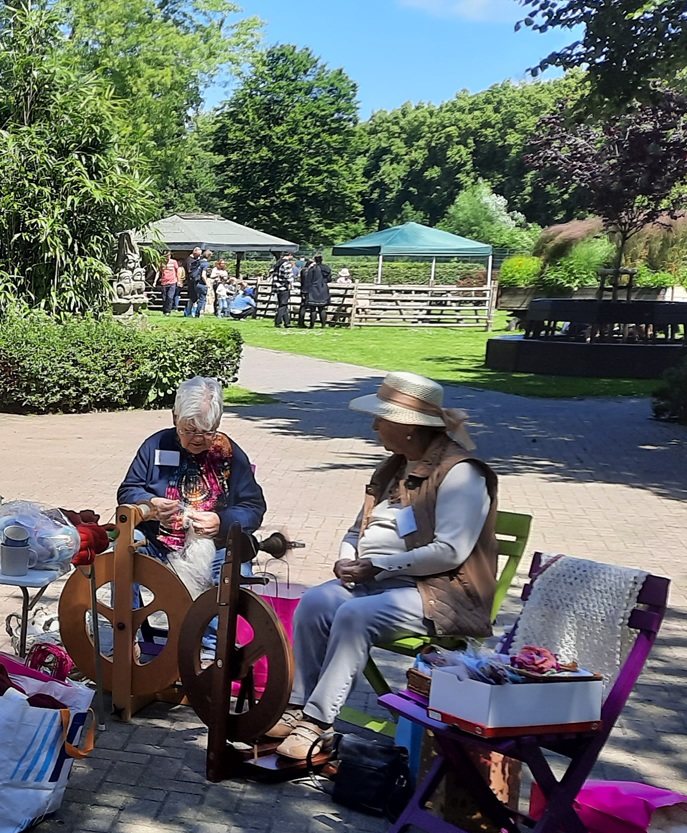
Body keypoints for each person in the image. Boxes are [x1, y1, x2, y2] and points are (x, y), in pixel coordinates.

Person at [269, 371, 498, 763]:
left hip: (439, 593)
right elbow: (357, 528)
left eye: (382, 418)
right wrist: (346, 556)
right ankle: (299, 705)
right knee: (316, 602)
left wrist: (379, 566)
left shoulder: (462, 473)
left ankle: (317, 722)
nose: (374, 426)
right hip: (380, 580)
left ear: (410, 427)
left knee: (355, 615)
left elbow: (450, 552)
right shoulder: (394, 467)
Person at [117, 377, 267, 598]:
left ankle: (213, 623)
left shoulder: (229, 454)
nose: (198, 439)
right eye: (189, 430)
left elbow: (254, 507)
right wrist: (151, 505)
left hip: (215, 550)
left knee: (236, 575)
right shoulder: (156, 445)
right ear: (175, 417)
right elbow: (128, 490)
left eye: (207, 431)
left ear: (218, 421)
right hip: (157, 544)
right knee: (121, 552)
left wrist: (221, 522)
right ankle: (127, 620)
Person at [300, 254, 332, 329]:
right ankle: (323, 325)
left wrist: (304, 291)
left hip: (313, 290)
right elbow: (329, 279)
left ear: (315, 260)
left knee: (313, 308)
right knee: (322, 308)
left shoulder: (312, 269)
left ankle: (312, 325)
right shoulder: (327, 268)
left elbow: (308, 281)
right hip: (323, 289)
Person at [271, 252, 296, 328]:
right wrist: (290, 284)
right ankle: (277, 321)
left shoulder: (278, 263)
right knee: (283, 305)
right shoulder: (286, 264)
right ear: (290, 255)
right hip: (284, 287)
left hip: (277, 286)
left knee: (283, 304)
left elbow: (271, 272)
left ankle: (287, 322)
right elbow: (288, 276)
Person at [183, 249, 209, 318]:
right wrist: (207, 283)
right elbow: (189, 271)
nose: (199, 256)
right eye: (198, 255)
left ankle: (191, 312)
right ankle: (189, 312)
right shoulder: (190, 260)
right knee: (195, 298)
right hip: (193, 282)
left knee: (194, 298)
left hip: (194, 281)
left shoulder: (197, 261)